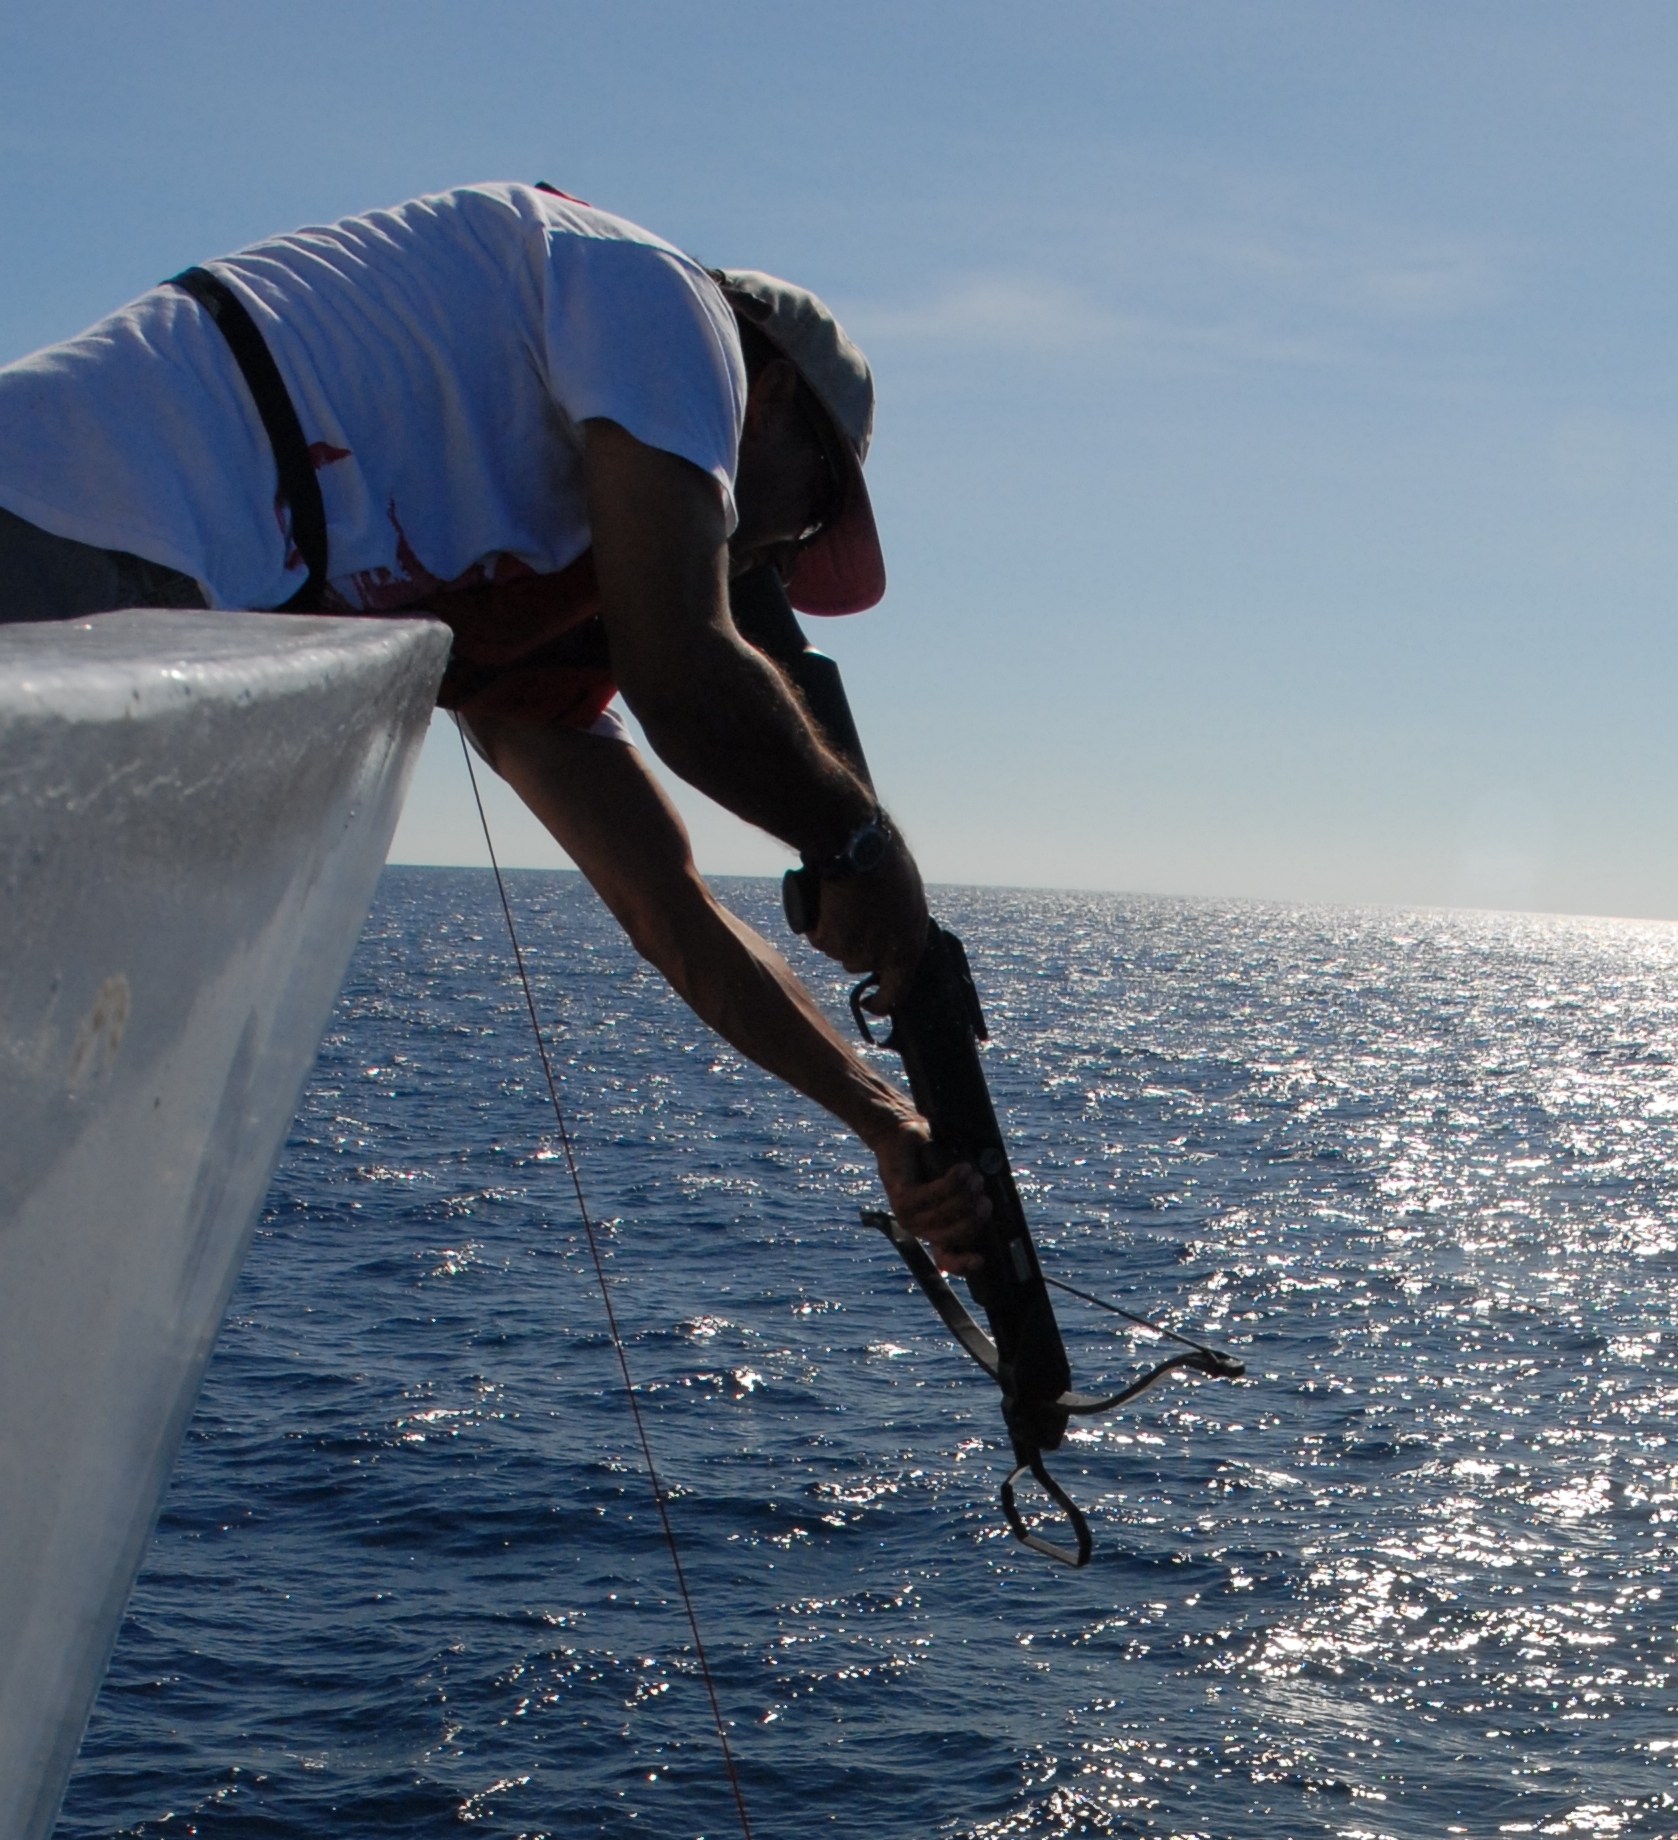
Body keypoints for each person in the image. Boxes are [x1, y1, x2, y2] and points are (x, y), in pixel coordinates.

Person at [0, 180, 984, 1272]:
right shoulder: (665, 304)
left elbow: (672, 912)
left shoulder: (497, 557)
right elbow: (686, 676)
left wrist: (882, 1121)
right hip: (75, 538)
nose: (783, 557)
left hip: (141, 608)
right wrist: (862, 846)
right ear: (773, 395)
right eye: (811, 509)